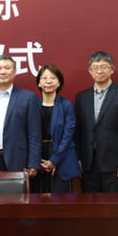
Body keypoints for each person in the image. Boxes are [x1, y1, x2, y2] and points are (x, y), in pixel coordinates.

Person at [74, 51, 118, 193]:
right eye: (95, 68)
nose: (99, 71)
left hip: (114, 163)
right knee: (89, 203)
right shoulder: (82, 96)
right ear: (90, 71)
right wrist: (77, 159)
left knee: (114, 204)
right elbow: (78, 131)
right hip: (88, 163)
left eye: (104, 67)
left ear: (112, 69)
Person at [0, 55, 41, 176]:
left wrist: (33, 163)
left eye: (7, 68)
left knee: (14, 190)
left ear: (15, 71)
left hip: (16, 159)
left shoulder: (28, 97)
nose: (3, 72)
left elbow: (34, 134)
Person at [32, 64, 81, 193]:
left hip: (61, 156)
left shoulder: (66, 105)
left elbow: (68, 136)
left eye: (53, 78)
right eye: (44, 78)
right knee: (38, 199)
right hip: (38, 157)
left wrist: (54, 161)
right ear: (39, 83)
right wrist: (35, 161)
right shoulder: (33, 105)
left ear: (59, 83)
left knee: (61, 200)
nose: (48, 81)